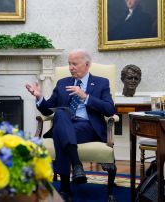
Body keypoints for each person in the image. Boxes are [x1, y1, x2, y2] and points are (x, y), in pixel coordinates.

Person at [25, 49, 115, 201]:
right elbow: (47, 110)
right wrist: (39, 97)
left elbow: (109, 109)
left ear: (87, 65)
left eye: (74, 64)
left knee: (60, 132)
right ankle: (77, 165)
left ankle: (65, 188)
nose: (71, 67)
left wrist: (85, 96)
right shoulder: (63, 83)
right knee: (60, 113)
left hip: (87, 127)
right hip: (64, 124)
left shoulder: (101, 83)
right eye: (69, 64)